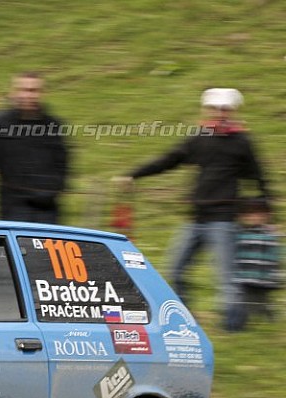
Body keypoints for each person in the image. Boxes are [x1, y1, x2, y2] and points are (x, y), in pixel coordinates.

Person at [116, 88, 274, 331]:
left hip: (224, 220)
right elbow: (169, 160)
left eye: (225, 109)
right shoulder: (199, 138)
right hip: (196, 219)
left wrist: (266, 212)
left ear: (232, 111)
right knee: (175, 269)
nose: (220, 113)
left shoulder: (242, 142)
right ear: (208, 110)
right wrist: (133, 175)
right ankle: (184, 321)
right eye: (215, 109)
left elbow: (259, 177)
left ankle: (233, 327)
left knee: (227, 278)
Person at [0, 71, 69, 224]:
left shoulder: (54, 125)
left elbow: (62, 161)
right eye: (24, 90)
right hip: (12, 206)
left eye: (34, 90)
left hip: (47, 208)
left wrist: (55, 188)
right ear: (14, 92)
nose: (28, 95)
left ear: (42, 93)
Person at [228, 199, 280, 329]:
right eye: (250, 214)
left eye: (259, 214)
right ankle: (245, 322)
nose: (255, 217)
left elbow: (273, 258)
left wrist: (273, 277)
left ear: (267, 215)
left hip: (262, 278)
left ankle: (271, 322)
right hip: (245, 276)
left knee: (261, 302)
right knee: (244, 301)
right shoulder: (240, 233)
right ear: (244, 216)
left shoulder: (270, 234)